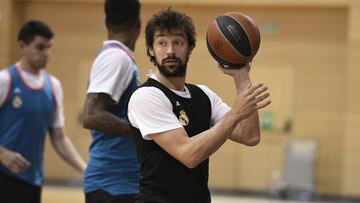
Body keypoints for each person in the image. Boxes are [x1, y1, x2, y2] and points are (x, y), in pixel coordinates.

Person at [127, 8, 271, 203]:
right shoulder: (146, 96)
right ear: (151, 50)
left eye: (178, 42)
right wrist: (235, 113)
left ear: (190, 48)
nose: (170, 50)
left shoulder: (203, 95)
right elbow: (189, 155)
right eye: (162, 43)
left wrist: (241, 75)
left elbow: (250, 135)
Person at [0, 20, 86, 203]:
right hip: (4, 178)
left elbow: (60, 138)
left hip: (33, 181)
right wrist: (2, 154)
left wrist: (85, 169)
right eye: (40, 47)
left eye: (49, 47)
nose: (46, 53)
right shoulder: (5, 80)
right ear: (22, 46)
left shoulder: (53, 87)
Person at [81, 0, 141, 202]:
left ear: (107, 22)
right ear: (138, 23)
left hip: (119, 185)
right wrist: (141, 129)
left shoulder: (117, 57)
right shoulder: (116, 58)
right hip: (111, 186)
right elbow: (91, 116)